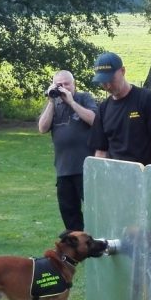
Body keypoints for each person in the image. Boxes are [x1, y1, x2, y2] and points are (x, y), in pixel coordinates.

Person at [37, 70, 98, 231]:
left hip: (85, 167)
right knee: (69, 212)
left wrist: (71, 102)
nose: (63, 87)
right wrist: (51, 101)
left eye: (66, 84)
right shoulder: (54, 103)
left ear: (74, 84)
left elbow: (94, 120)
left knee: (95, 209)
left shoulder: (83, 98)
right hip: (63, 169)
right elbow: (42, 128)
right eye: (59, 85)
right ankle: (77, 245)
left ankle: (99, 240)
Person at [88, 52, 151, 166]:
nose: (108, 85)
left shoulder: (146, 99)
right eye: (103, 81)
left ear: (123, 71)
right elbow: (101, 151)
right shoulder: (103, 108)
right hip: (115, 177)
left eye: (111, 79)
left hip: (142, 176)